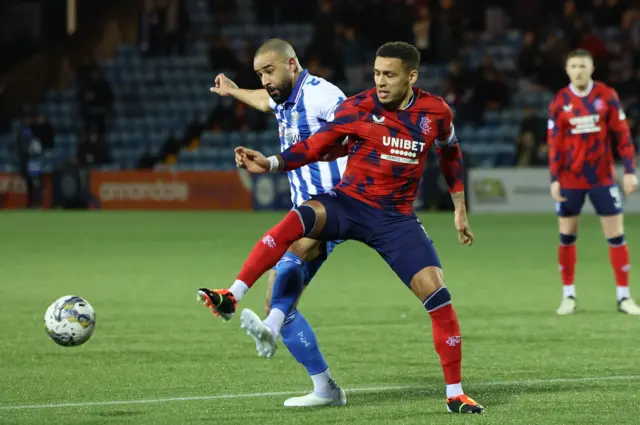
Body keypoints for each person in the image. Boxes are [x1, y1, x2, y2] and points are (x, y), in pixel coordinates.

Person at [199, 41, 484, 414]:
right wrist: (270, 163)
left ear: (411, 76)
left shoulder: (435, 112)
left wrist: (459, 207)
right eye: (377, 73)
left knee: (438, 297)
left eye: (390, 75)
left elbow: (450, 153)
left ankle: (455, 394)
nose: (380, 82)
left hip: (394, 218)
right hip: (348, 203)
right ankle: (234, 295)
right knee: (299, 220)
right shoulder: (359, 105)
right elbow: (316, 146)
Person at [204, 38, 348, 407]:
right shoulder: (285, 97)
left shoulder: (322, 96)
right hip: (306, 207)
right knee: (278, 298)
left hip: (335, 205)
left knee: (295, 252)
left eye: (269, 71)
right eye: (259, 74)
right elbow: (265, 100)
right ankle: (323, 386)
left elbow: (357, 127)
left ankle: (236, 298)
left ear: (292, 64)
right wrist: (236, 91)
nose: (265, 80)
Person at [548, 49, 640, 316]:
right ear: (567, 70)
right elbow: (554, 143)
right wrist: (554, 178)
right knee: (567, 237)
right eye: (574, 66)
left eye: (583, 65)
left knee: (616, 236)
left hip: (602, 177)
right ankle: (568, 296)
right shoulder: (560, 101)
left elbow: (622, 135)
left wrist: (630, 170)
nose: (578, 70)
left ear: (592, 68)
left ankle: (624, 297)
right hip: (570, 178)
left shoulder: (606, 96)